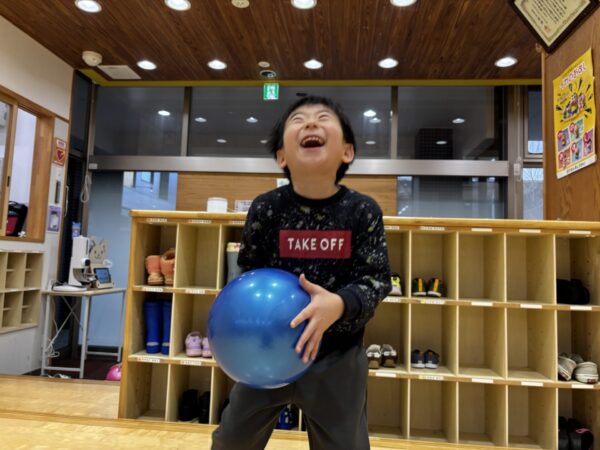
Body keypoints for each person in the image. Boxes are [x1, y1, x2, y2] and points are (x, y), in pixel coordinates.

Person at [212, 95, 391, 450]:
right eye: (298, 119)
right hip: (264, 349)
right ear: (281, 156)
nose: (310, 122)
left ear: (348, 152)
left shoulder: (363, 211)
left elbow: (376, 280)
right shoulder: (266, 208)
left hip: (336, 357)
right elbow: (249, 274)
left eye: (323, 117)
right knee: (232, 440)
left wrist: (338, 305)